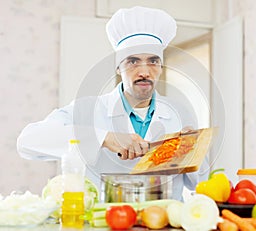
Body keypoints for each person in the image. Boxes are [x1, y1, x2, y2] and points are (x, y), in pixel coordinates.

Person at [17, 6, 209, 201]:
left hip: (164, 222)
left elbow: (201, 183)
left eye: (153, 61)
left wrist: (190, 152)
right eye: (133, 62)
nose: (144, 72)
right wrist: (105, 138)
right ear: (119, 68)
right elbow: (27, 141)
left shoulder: (181, 112)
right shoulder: (87, 109)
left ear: (160, 67)